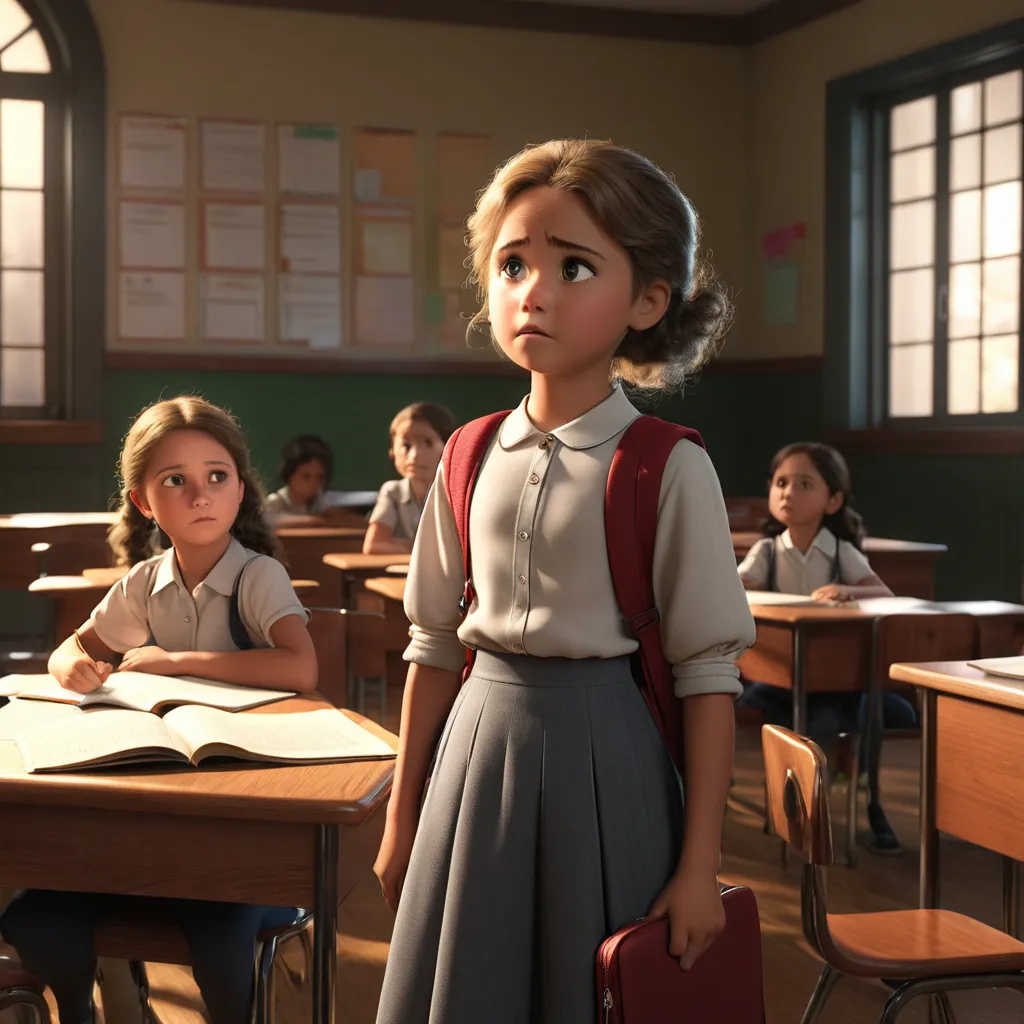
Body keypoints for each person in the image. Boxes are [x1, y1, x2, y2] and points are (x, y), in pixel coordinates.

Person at [372, 139, 755, 1024]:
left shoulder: (666, 465)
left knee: (589, 990)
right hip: (474, 752)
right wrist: (402, 818)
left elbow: (706, 676)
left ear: (648, 299)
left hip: (608, 760)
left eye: (574, 266)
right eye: (511, 264)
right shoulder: (465, 455)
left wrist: (700, 868)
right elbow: (432, 644)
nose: (532, 291)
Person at [1, 396, 317, 1024]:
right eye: (176, 481)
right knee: (39, 922)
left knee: (221, 941)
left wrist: (174, 663)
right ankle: (97, 1007)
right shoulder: (145, 582)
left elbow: (299, 666)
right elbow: (72, 650)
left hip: (243, 814)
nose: (200, 495)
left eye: (216, 477)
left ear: (240, 490)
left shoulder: (258, 577)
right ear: (145, 502)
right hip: (147, 808)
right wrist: (75, 667)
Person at [737, 441, 915, 852]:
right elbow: (736, 587)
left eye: (804, 484)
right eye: (781, 483)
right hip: (782, 676)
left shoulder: (840, 551)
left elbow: (885, 593)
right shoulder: (767, 551)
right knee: (818, 721)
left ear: (833, 500)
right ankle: (802, 814)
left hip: (837, 677)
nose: (787, 493)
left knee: (878, 708)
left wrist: (849, 589)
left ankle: (872, 804)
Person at [362, 402, 457, 555]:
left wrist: (403, 545)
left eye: (428, 443)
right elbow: (374, 546)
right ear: (392, 451)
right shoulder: (393, 492)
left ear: (447, 448)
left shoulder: (456, 492)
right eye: (406, 445)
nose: (414, 455)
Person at [264, 435, 352, 526]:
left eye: (320, 477)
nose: (313, 482)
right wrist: (313, 521)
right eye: (305, 476)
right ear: (289, 474)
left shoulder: (319, 501)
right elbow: (270, 520)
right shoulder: (276, 501)